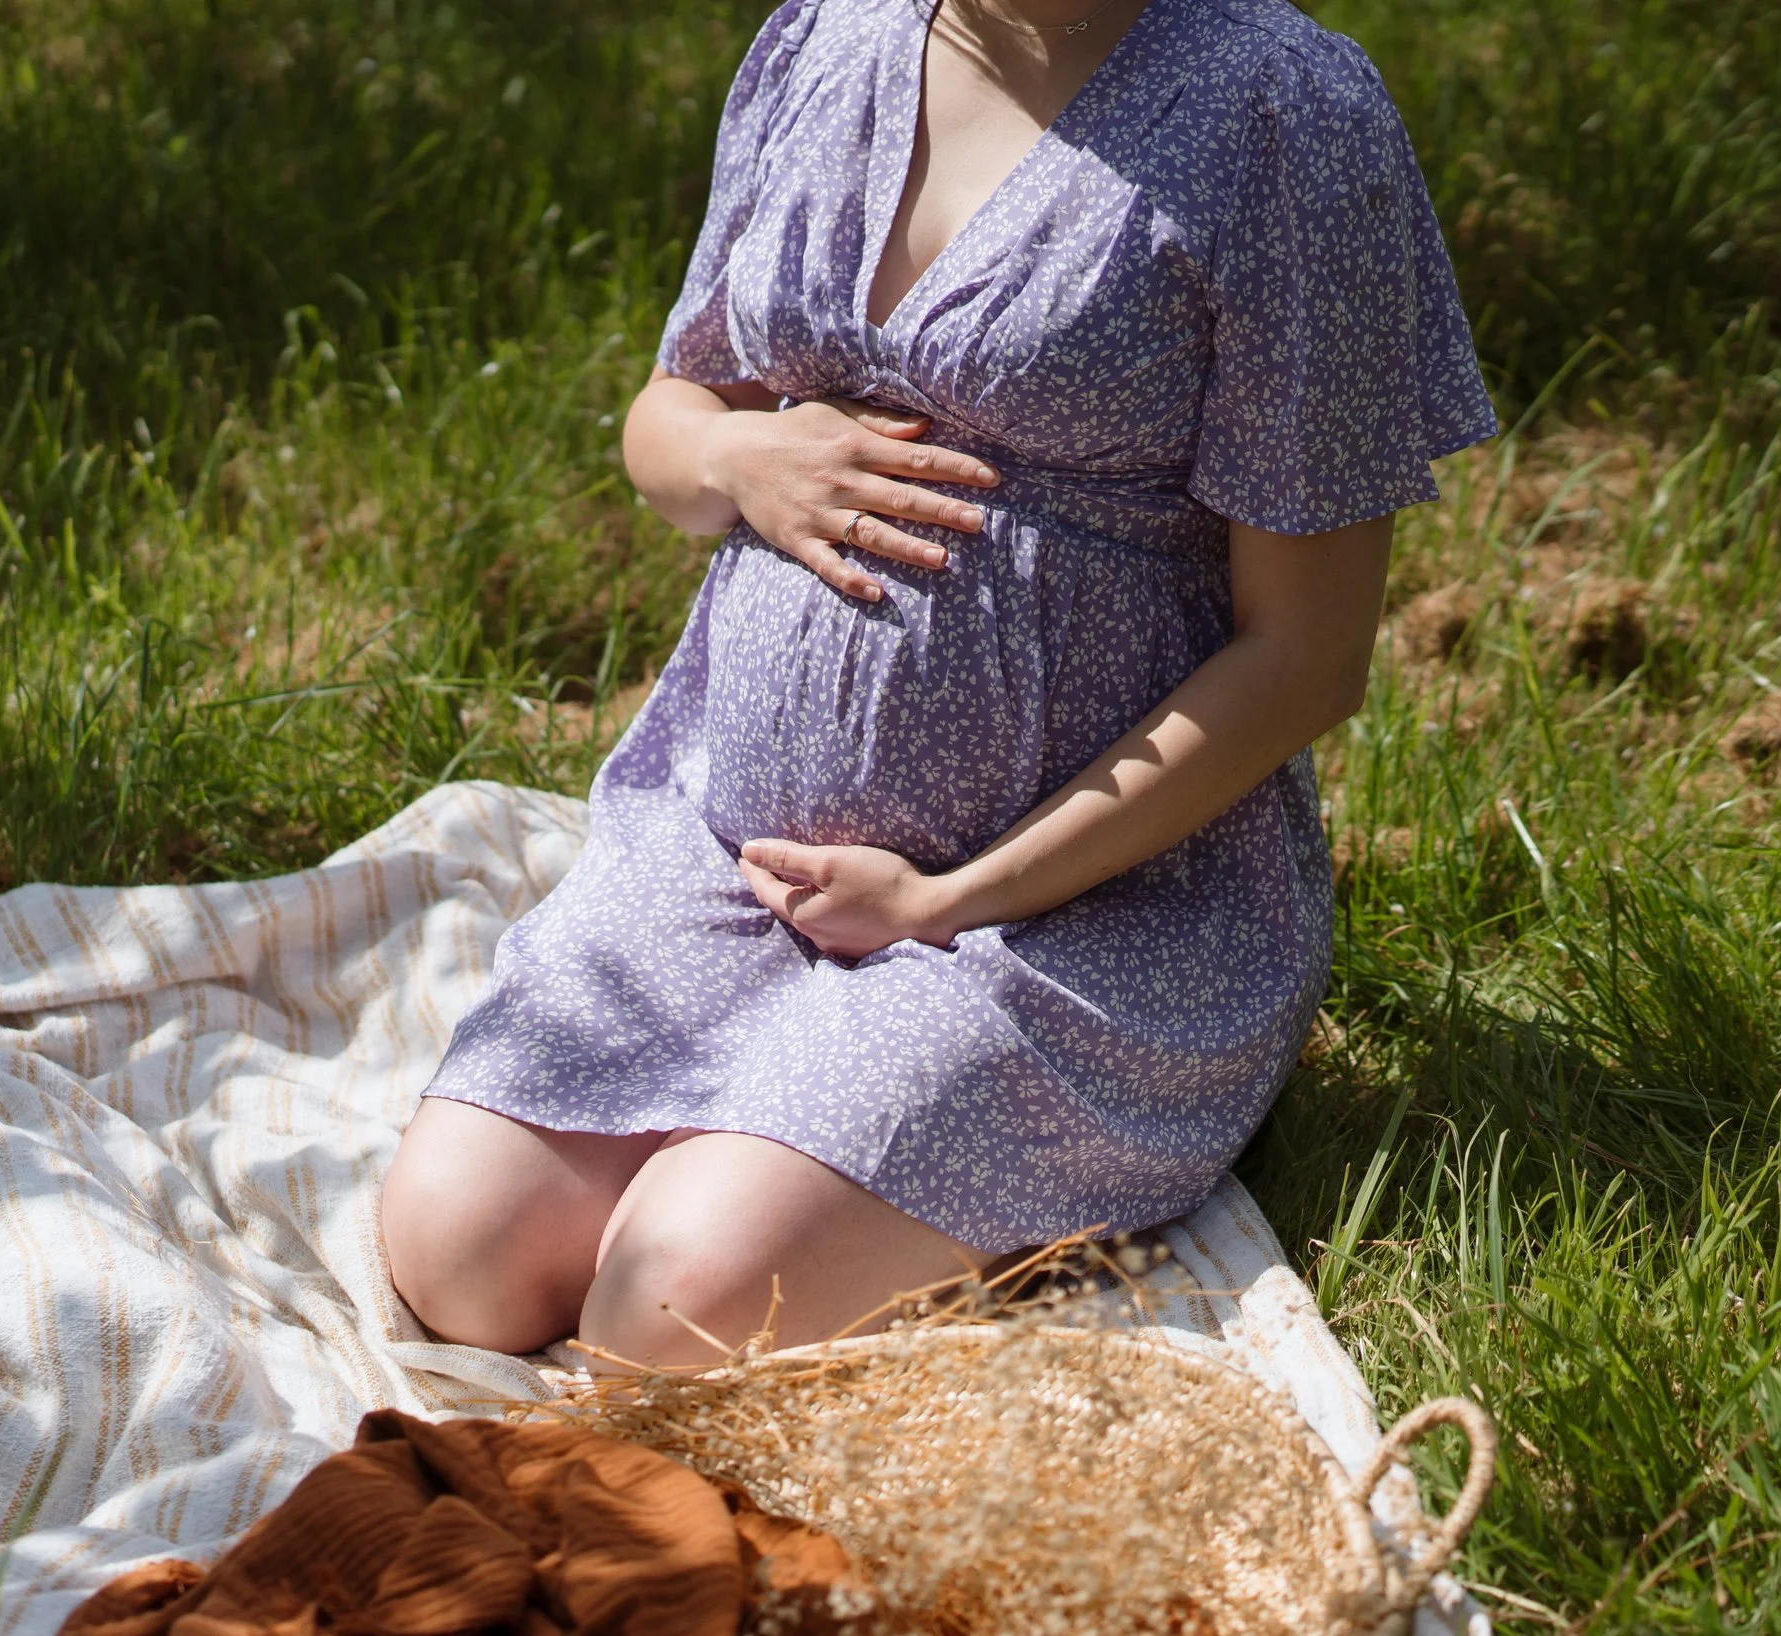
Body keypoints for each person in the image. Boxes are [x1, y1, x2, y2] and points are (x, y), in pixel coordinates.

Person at [378, 0, 1495, 1364]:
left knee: (661, 1314)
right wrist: (746, 462)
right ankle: (788, 1120)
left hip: (1072, 919)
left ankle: (889, 1140)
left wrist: (955, 899)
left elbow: (1309, 656)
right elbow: (670, 418)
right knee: (463, 1255)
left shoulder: (1282, 113)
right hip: (735, 851)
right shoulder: (828, 37)